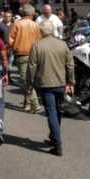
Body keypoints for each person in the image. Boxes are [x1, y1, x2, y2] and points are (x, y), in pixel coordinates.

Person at [26, 20, 75, 157]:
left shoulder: (36, 45)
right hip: (60, 82)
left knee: (51, 113)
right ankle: (54, 137)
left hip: (45, 84)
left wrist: (29, 85)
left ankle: (57, 145)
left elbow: (32, 67)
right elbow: (70, 65)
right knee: (57, 112)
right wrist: (70, 82)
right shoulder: (62, 44)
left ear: (41, 31)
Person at [8, 4, 42, 113]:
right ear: (32, 14)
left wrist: (9, 50)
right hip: (33, 54)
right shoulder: (36, 25)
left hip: (21, 53)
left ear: (22, 13)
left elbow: (10, 39)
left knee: (26, 80)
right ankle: (27, 104)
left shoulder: (17, 23)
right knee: (29, 79)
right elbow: (39, 40)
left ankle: (34, 103)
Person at [0, 11, 14, 83]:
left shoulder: (13, 25)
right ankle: (2, 76)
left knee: (10, 61)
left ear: (11, 17)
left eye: (9, 16)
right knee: (3, 61)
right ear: (4, 17)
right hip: (3, 45)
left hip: (11, 46)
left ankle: (8, 75)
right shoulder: (0, 24)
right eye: (6, 16)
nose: (8, 18)